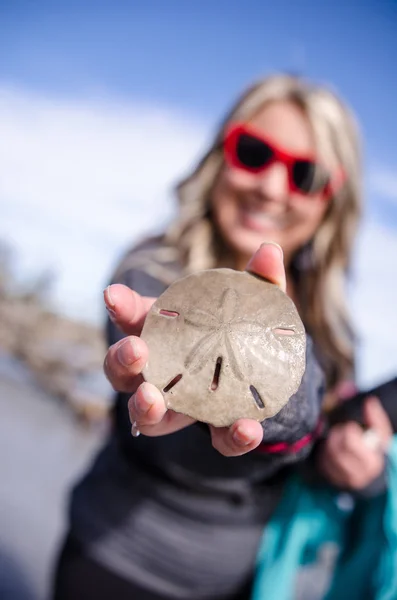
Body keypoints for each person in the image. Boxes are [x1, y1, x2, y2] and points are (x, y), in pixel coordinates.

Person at [52, 74, 392, 600]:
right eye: (254, 152)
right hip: (115, 564)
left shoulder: (332, 329)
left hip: (243, 584)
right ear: (220, 156)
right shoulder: (152, 273)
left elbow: (310, 454)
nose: (272, 186)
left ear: (331, 201)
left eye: (306, 174)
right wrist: (292, 409)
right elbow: (194, 440)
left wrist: (361, 472)